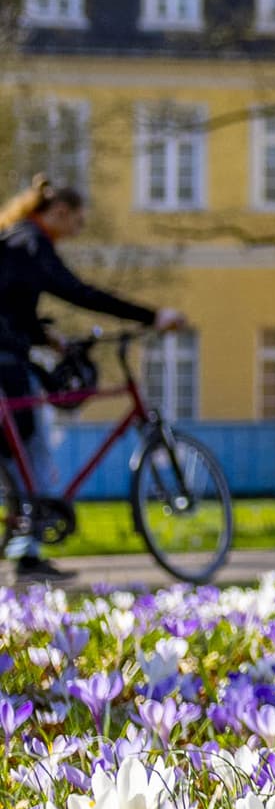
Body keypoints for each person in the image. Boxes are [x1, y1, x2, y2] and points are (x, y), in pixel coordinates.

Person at [0, 176, 181, 583]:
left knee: (22, 456)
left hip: (11, 354)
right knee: (34, 451)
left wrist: (42, 335)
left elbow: (8, 304)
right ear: (59, 212)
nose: (78, 231)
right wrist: (151, 315)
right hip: (5, 363)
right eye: (78, 222)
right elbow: (77, 291)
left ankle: (27, 543)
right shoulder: (31, 242)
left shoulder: (14, 242)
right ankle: (28, 554)